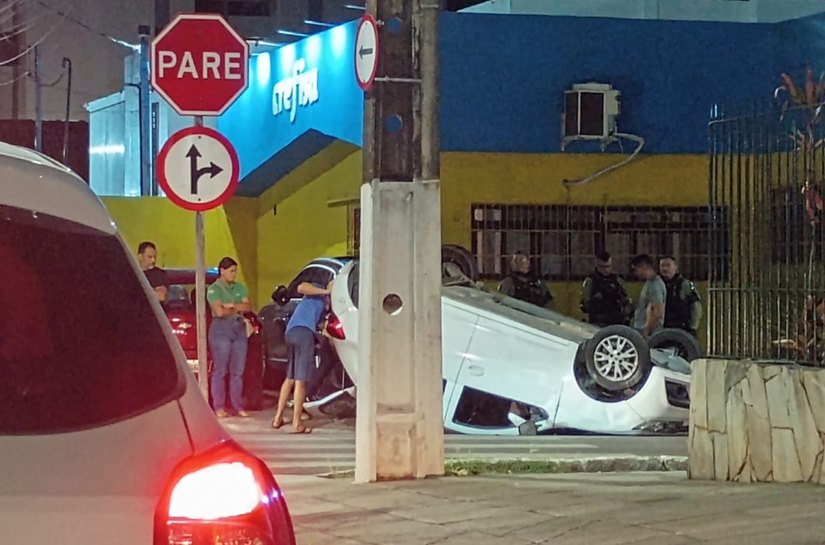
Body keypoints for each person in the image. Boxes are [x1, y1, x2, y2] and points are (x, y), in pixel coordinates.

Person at [272, 280, 333, 434]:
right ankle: (297, 423)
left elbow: (321, 326)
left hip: (292, 333)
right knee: (301, 380)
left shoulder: (325, 307)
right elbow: (301, 287)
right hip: (303, 334)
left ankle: (277, 418)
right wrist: (326, 292)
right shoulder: (319, 292)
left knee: (290, 378)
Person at [206, 257, 252, 418]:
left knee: (237, 371)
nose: (234, 274)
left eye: (235, 271)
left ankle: (237, 405)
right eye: (231, 271)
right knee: (220, 370)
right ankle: (219, 406)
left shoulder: (239, 287)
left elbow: (248, 306)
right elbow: (219, 312)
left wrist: (230, 306)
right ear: (222, 271)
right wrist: (235, 308)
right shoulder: (214, 289)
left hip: (238, 330)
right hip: (221, 331)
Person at [580, 250, 633, 326]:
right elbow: (585, 303)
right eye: (603, 267)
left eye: (608, 266)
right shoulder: (591, 281)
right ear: (597, 265)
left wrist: (627, 316)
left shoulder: (617, 281)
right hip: (597, 320)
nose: (606, 270)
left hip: (615, 320)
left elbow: (626, 300)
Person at [659, 255, 702, 337]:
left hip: (682, 329)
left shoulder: (685, 284)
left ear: (675, 267)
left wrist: (693, 327)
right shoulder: (656, 284)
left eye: (668, 265)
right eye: (662, 266)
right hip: (661, 329)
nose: (665, 269)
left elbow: (696, 306)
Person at [630, 254, 666, 338]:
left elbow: (657, 312)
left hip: (648, 332)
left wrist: (648, 331)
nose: (635, 273)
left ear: (642, 267)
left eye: (635, 269)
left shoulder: (655, 285)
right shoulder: (649, 283)